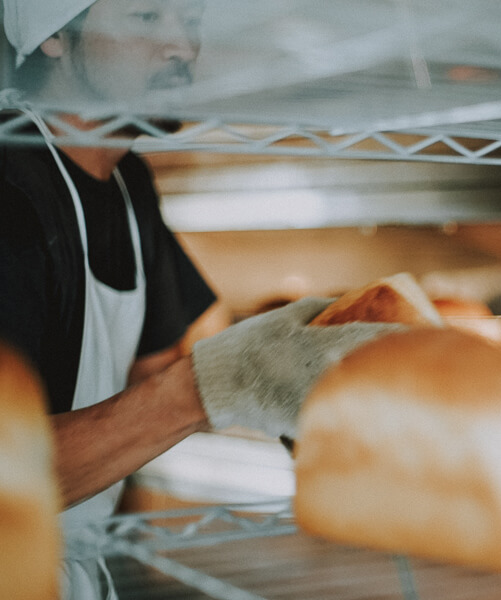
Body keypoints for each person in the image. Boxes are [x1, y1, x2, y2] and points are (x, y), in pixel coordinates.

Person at [0, 1, 400, 597]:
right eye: (147, 17)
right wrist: (220, 381)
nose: (182, 47)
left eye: (190, 22)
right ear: (55, 35)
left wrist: (303, 377)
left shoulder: (129, 183)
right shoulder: (11, 193)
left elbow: (155, 366)